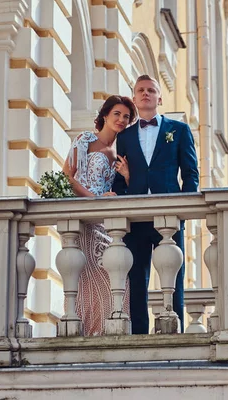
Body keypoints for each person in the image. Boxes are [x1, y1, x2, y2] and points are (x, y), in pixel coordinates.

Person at [112, 75, 199, 334]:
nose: (146, 94)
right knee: (136, 276)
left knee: (174, 275)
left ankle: (176, 328)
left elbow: (191, 173)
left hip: (169, 214)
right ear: (135, 97)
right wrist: (123, 193)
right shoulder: (124, 136)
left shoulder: (179, 130)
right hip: (136, 215)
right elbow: (119, 178)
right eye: (141, 90)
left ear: (160, 98)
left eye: (151, 90)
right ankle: (139, 332)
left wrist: (184, 208)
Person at [62, 95, 136, 336]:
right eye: (117, 114)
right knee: (85, 281)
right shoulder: (85, 140)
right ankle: (84, 333)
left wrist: (126, 176)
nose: (121, 120)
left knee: (116, 278)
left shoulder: (121, 152)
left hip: (106, 223)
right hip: (84, 219)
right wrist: (94, 201)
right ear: (105, 115)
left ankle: (107, 333)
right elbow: (67, 176)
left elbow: (125, 190)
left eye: (126, 116)